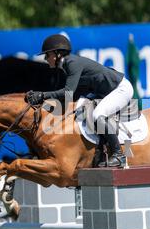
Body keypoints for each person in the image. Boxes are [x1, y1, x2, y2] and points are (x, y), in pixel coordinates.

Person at [26, 34, 134, 168]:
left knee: (97, 115)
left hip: (120, 89)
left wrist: (42, 95)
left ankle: (119, 155)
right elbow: (69, 99)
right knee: (79, 111)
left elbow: (67, 92)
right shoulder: (66, 67)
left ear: (57, 54)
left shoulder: (72, 63)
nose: (45, 58)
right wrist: (43, 105)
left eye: (47, 55)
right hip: (105, 92)